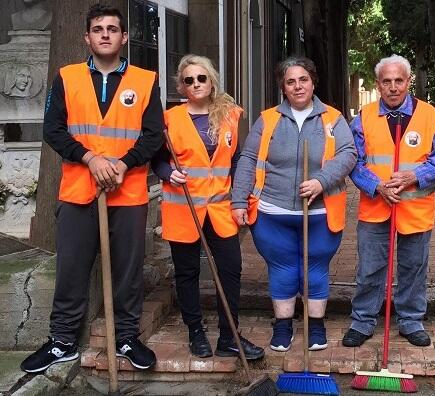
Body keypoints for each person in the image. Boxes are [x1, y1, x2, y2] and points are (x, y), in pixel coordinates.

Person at [21, 4, 163, 373]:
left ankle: (127, 338)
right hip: (78, 189)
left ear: (124, 37)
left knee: (128, 269)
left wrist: (120, 164)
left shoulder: (145, 80)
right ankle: (63, 341)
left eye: (112, 28)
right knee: (71, 267)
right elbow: (53, 129)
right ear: (87, 37)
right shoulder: (66, 77)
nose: (105, 34)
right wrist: (91, 159)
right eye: (98, 28)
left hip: (127, 190)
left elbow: (152, 136)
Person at [231, 56, 356, 352]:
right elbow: (248, 159)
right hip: (273, 211)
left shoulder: (333, 119)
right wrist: (238, 199)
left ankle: (315, 326)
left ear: (313, 82)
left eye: (303, 80)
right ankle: (283, 326)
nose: (298, 86)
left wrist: (321, 181)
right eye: (290, 81)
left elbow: (349, 154)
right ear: (282, 88)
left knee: (314, 268)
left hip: (320, 212)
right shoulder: (268, 119)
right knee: (283, 268)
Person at [150, 54, 264, 360]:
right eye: (189, 80)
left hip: (220, 208)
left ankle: (229, 336)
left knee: (230, 269)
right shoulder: (168, 120)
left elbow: (237, 158)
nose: (196, 84)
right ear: (181, 86)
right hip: (183, 207)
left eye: (201, 78)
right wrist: (166, 173)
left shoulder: (230, 114)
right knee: (187, 272)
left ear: (211, 81)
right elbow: (157, 158)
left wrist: (242, 193)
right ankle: (196, 332)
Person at [341, 55, 435, 348]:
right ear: (378, 85)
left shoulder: (429, 116)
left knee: (413, 268)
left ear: (408, 81)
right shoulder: (362, 118)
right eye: (386, 82)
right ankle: (362, 321)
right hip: (376, 207)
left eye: (398, 80)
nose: (392, 87)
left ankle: (411, 321)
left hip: (415, 209)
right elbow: (355, 162)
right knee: (370, 268)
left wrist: (413, 176)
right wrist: (377, 186)